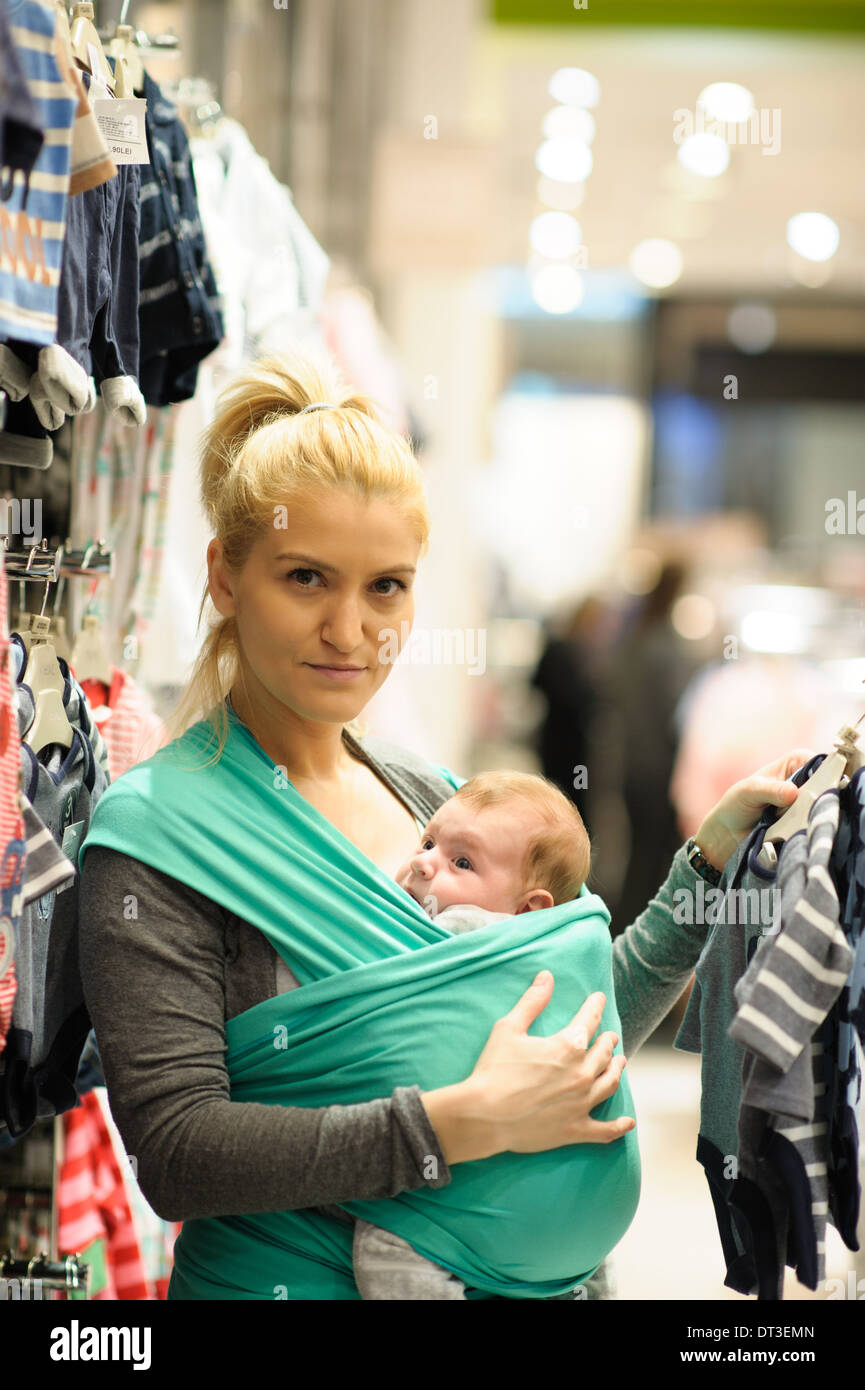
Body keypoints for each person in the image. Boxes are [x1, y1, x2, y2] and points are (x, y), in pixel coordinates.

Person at [77, 353, 810, 1301]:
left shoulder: (434, 797)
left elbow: (568, 1033)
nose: (351, 629)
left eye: (386, 586)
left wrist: (705, 866)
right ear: (222, 576)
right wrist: (461, 1124)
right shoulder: (157, 836)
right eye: (306, 578)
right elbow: (180, 1152)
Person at [347, 768, 592, 1298]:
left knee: (388, 1244)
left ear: (530, 908)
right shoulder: (560, 944)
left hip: (456, 1184)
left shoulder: (462, 929)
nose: (422, 861)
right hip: (562, 1203)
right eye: (428, 841)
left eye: (462, 862)